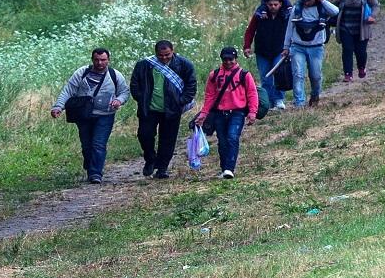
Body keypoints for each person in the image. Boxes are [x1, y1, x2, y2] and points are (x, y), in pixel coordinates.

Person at [49, 47, 127, 183]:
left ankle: (95, 173)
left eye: (103, 60)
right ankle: (90, 162)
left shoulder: (115, 75)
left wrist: (118, 100)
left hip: (105, 115)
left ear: (108, 60)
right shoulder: (82, 73)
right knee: (86, 145)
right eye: (96, 60)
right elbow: (68, 90)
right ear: (92, 60)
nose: (100, 63)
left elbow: (124, 92)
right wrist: (58, 106)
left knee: (98, 144)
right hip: (83, 115)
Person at [129, 40, 197, 178]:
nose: (164, 58)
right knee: (144, 135)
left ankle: (162, 168)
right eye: (161, 55)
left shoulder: (184, 65)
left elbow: (191, 86)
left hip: (172, 109)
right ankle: (150, 159)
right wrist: (142, 99)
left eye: (167, 55)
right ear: (156, 54)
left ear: (173, 51)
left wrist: (181, 101)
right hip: (149, 109)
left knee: (168, 140)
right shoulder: (144, 65)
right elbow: (134, 84)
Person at [195, 47, 260, 179]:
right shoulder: (214, 75)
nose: (228, 62)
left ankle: (229, 168)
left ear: (236, 59)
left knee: (232, 137)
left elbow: (252, 93)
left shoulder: (244, 75)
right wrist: (204, 113)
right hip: (219, 113)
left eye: (231, 59)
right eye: (225, 59)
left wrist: (252, 112)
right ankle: (224, 168)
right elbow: (210, 96)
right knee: (222, 141)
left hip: (237, 112)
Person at [286, 0, 340, 107]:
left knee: (316, 75)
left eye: (309, 0)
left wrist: (322, 1)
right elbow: (289, 29)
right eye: (303, 0)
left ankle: (315, 95)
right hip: (297, 47)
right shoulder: (296, 9)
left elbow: (336, 11)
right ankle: (299, 103)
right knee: (298, 74)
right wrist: (286, 47)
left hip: (316, 47)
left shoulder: (322, 8)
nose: (306, 3)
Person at [243, 0, 293, 114]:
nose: (273, 7)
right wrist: (247, 46)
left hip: (280, 51)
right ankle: (267, 102)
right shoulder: (259, 16)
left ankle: (279, 99)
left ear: (280, 4)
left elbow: (292, 30)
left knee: (279, 75)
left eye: (276, 4)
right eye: (270, 4)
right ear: (266, 4)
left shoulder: (286, 16)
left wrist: (290, 47)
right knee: (265, 78)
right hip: (262, 51)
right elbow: (250, 30)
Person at [332, 0, 380, 81]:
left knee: (361, 51)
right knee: (347, 50)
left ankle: (361, 67)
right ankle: (348, 74)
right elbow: (330, 5)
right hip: (345, 27)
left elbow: (375, 5)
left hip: (362, 28)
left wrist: (373, 16)